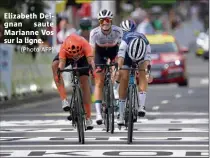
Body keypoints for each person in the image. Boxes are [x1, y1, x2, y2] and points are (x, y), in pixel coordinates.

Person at [51, 33, 95, 129]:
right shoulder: (64, 47)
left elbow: (91, 61)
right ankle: (64, 99)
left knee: (85, 83)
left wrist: (93, 72)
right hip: (67, 57)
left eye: (76, 54)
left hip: (82, 58)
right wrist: (59, 71)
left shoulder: (85, 44)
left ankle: (88, 118)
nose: (75, 56)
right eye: (73, 55)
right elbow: (62, 63)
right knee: (55, 65)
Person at [89, 9, 123, 125]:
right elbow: (92, 51)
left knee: (118, 71)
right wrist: (92, 65)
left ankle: (115, 90)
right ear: (99, 22)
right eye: (102, 20)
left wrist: (119, 64)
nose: (105, 23)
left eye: (107, 20)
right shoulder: (94, 33)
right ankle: (98, 113)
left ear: (111, 21)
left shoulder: (118, 31)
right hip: (100, 53)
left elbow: (122, 50)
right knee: (98, 82)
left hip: (114, 52)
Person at [116, 19, 152, 125]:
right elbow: (121, 59)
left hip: (141, 56)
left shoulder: (145, 42)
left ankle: (141, 106)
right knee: (124, 77)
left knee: (143, 74)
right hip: (126, 57)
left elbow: (147, 62)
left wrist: (146, 71)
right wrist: (118, 69)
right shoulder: (124, 41)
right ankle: (121, 114)